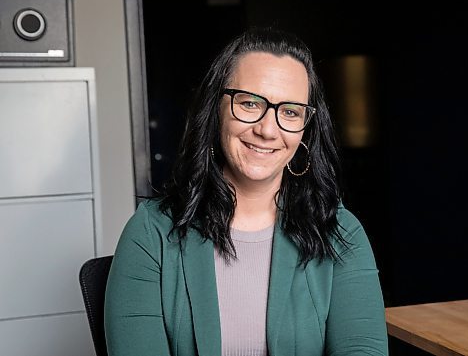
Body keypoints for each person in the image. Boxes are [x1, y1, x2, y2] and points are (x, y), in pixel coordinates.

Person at [104, 27, 388, 356]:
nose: (268, 130)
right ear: (216, 109)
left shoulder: (342, 232)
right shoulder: (150, 232)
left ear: (305, 131)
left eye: (291, 112)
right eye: (251, 103)